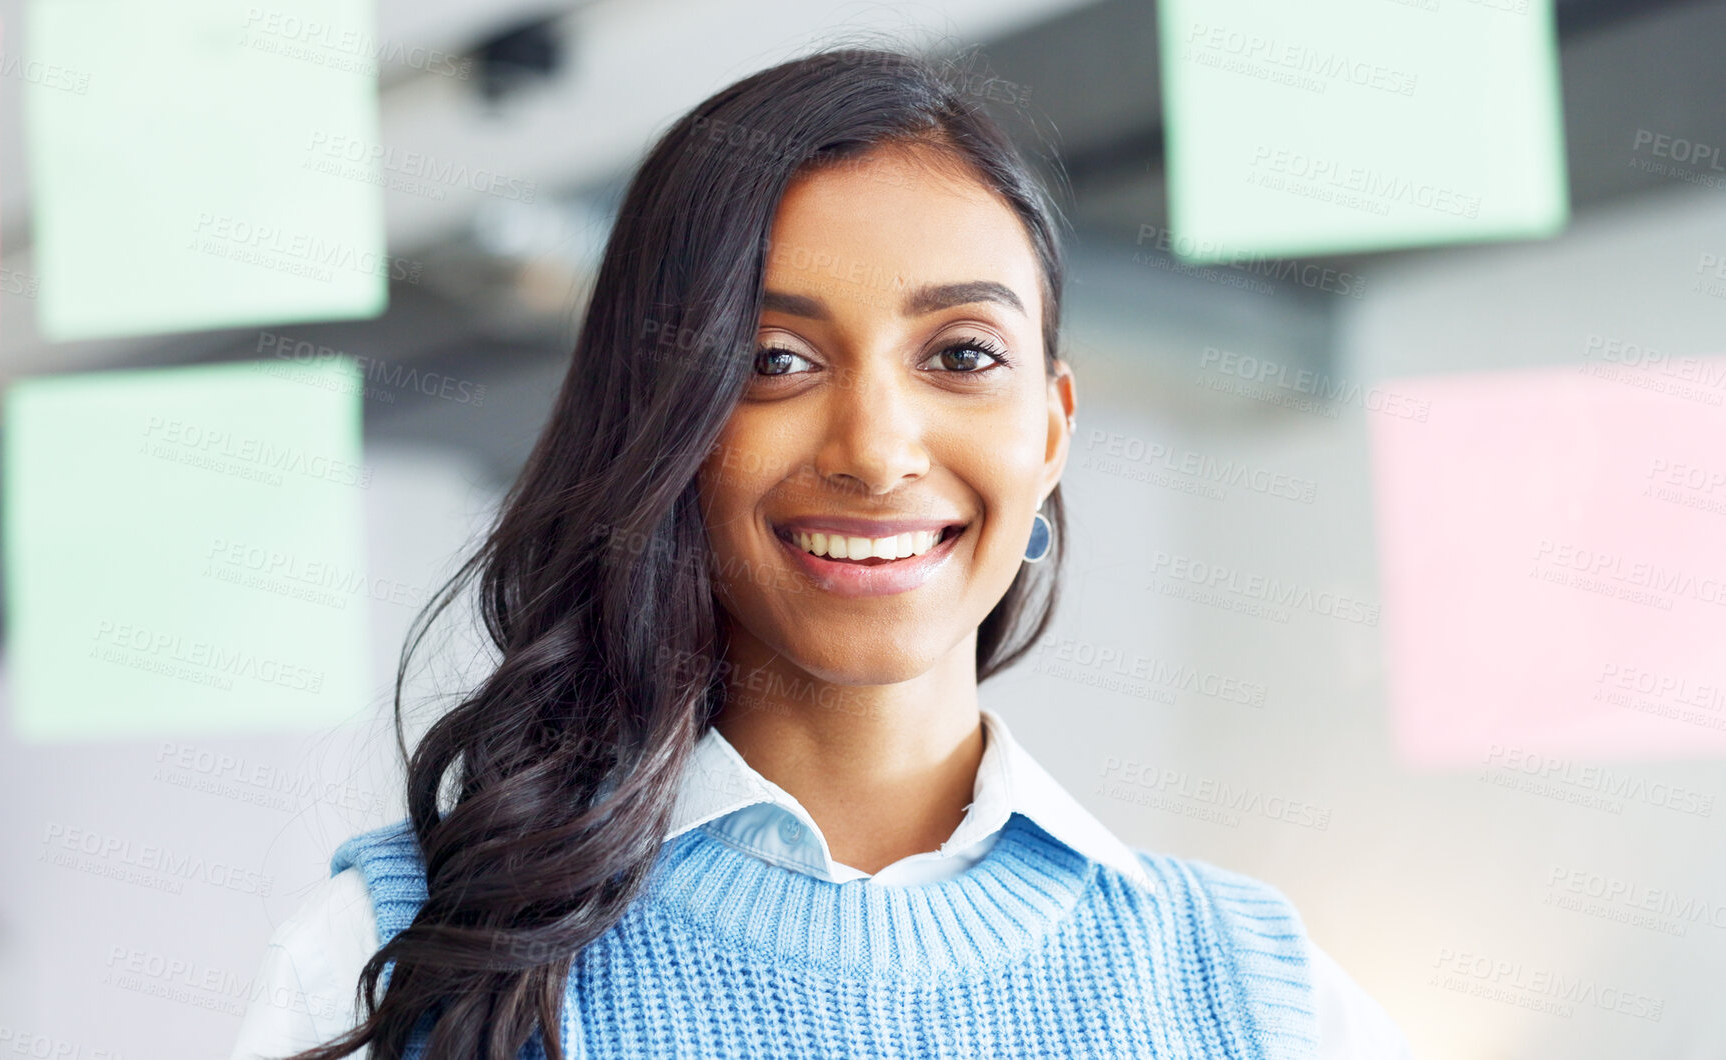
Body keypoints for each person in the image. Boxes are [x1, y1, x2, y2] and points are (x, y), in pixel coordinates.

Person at [228, 45, 1415, 1060]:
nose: (876, 450)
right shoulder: (405, 961)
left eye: (959, 355)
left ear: (1051, 429)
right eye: (775, 362)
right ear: (663, 420)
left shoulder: (1254, 996)